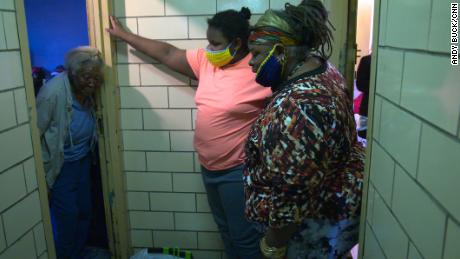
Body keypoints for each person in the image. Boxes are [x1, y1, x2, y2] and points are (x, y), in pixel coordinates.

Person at [107, 8, 271, 259]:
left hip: (238, 172)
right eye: (208, 41)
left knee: (244, 240)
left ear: (237, 43)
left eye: (215, 43)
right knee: (226, 233)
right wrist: (125, 36)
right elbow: (167, 53)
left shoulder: (259, 71)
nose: (209, 48)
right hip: (209, 169)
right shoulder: (207, 61)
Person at [244, 1, 365, 258]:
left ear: (281, 51)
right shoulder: (322, 68)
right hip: (332, 216)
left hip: (308, 233)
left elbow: (292, 196)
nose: (251, 63)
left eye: (256, 53)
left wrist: (273, 245)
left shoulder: (299, 106)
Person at [36, 46, 104, 259]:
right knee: (68, 218)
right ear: (72, 74)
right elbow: (36, 133)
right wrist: (42, 178)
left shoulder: (89, 91)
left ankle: (78, 252)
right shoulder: (53, 92)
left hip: (83, 159)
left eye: (95, 77)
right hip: (61, 166)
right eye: (86, 77)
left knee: (85, 212)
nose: (92, 82)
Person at [356, 54, 371, 139]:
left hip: (386, 109)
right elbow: (360, 85)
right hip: (367, 105)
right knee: (363, 134)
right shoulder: (367, 60)